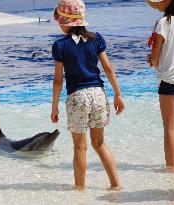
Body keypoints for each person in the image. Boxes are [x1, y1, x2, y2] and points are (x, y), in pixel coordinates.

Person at [51, 0, 125, 191]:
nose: (59, 23)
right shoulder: (96, 39)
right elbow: (108, 68)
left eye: (60, 19)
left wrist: (54, 107)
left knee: (79, 147)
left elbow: (58, 80)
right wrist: (118, 94)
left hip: (78, 96)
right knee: (99, 143)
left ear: (67, 22)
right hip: (98, 94)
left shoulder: (60, 45)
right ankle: (116, 185)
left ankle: (80, 190)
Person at [146, 0, 174, 173]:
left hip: (170, 80)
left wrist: (153, 61)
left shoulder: (164, 23)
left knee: (170, 127)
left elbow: (155, 59)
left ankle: (171, 171)